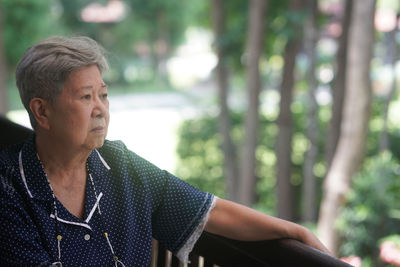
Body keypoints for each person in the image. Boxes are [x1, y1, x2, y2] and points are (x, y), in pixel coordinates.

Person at [0, 36, 330, 266]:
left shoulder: (119, 164)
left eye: (104, 95)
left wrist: (294, 230)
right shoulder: (10, 188)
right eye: (86, 98)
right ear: (42, 112)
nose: (100, 109)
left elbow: (209, 211)